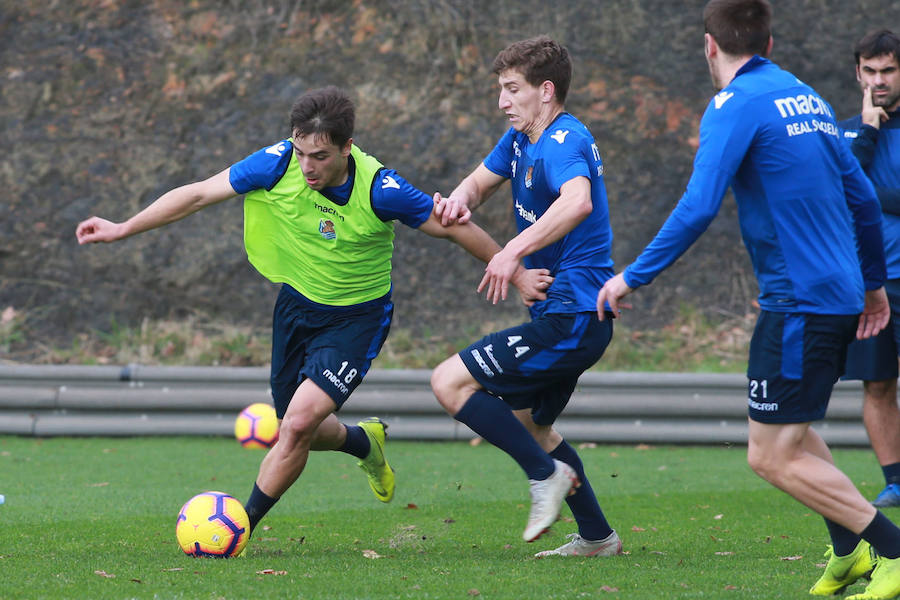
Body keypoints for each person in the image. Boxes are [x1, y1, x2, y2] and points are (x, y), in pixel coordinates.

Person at [75, 86, 550, 539]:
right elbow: (199, 193)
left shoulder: (381, 189)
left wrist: (517, 272)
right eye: (301, 152)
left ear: (348, 147)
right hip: (296, 308)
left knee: (299, 425)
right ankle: (364, 443)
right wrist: (123, 229)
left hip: (356, 320)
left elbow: (451, 228)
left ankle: (238, 527)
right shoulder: (276, 162)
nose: (307, 166)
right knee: (294, 426)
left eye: (320, 156)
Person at [595, 1, 900, 597]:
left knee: (770, 456)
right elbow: (862, 198)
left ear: (710, 46)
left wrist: (633, 276)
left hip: (797, 303)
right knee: (793, 431)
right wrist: (871, 285)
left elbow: (699, 206)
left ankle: (890, 549)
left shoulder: (733, 106)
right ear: (768, 39)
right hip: (832, 295)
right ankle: (849, 556)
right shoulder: (805, 97)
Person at [430, 36, 622, 558]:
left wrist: (511, 252)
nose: (502, 101)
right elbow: (478, 183)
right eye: (500, 89)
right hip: (568, 315)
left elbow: (578, 202)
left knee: (448, 382)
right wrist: (457, 202)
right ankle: (598, 538)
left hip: (573, 316)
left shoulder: (564, 140)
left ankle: (545, 479)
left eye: (512, 90)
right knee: (528, 425)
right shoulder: (519, 142)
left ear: (546, 90)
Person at [841, 29, 900, 509]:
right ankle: (895, 481)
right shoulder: (847, 133)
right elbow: (839, 194)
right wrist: (869, 131)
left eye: (888, 70)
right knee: (878, 383)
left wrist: (871, 196)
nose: (878, 80)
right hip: (870, 285)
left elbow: (857, 193)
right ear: (857, 73)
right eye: (870, 70)